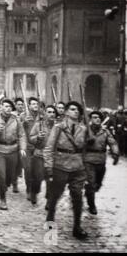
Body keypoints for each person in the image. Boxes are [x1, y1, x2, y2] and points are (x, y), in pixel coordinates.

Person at [43, 101, 88, 240]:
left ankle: (77, 227)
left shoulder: (84, 129)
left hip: (77, 167)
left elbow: (85, 150)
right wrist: (49, 168)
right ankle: (50, 226)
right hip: (60, 166)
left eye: (78, 110)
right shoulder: (58, 127)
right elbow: (49, 148)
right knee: (54, 198)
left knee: (78, 198)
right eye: (73, 109)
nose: (76, 112)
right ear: (66, 112)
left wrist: (85, 167)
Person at [84, 111, 119, 215]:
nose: (97, 119)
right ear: (90, 119)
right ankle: (92, 205)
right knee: (91, 183)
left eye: (99, 117)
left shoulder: (105, 131)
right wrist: (87, 141)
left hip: (101, 161)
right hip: (88, 161)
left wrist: (115, 154)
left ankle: (89, 192)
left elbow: (112, 143)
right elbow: (78, 142)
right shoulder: (85, 130)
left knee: (97, 184)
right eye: (94, 117)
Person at [0, 99, 27, 210]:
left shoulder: (16, 120)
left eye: (9, 106)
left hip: (13, 150)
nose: (8, 108)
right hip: (0, 150)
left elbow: (22, 135)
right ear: (1, 107)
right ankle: (3, 198)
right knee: (1, 175)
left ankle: (6, 185)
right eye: (6, 106)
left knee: (9, 176)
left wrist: (22, 148)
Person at [28, 105, 57, 206]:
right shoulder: (38, 125)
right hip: (39, 154)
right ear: (44, 113)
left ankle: (49, 199)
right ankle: (34, 192)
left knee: (51, 179)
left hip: (52, 157)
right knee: (37, 177)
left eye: (53, 112)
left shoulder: (58, 127)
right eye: (49, 112)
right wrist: (38, 137)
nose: (51, 114)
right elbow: (31, 138)